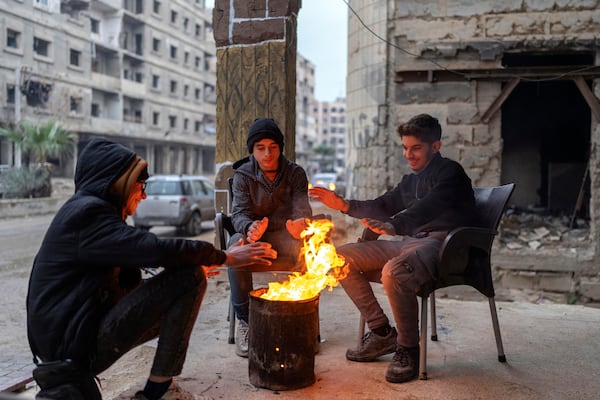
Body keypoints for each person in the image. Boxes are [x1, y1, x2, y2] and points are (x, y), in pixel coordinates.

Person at [26, 138, 277, 400]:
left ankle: (159, 387)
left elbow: (131, 277)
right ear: (118, 183)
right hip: (70, 348)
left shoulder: (92, 213)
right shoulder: (87, 214)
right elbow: (155, 248)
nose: (144, 195)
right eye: (140, 185)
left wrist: (197, 265)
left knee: (189, 277)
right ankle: (159, 391)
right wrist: (223, 257)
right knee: (189, 277)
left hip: (74, 340)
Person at [309, 113, 476, 383]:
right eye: (405, 148)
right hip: (410, 244)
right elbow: (383, 205)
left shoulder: (450, 173)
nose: (408, 155)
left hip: (444, 246)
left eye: (416, 148)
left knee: (394, 272)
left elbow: (428, 206)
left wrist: (395, 225)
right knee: (339, 258)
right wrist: (344, 205)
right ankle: (382, 333)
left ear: (436, 146)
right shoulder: (410, 181)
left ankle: (408, 348)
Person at [227, 117, 312, 357]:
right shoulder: (243, 175)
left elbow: (303, 209)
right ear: (252, 150)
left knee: (312, 246)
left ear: (280, 148)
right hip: (257, 239)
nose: (267, 154)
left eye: (272, 147)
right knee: (236, 245)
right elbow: (239, 213)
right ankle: (246, 320)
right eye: (260, 148)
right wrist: (249, 227)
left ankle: (304, 320)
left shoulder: (295, 173)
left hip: (287, 239)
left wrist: (300, 225)